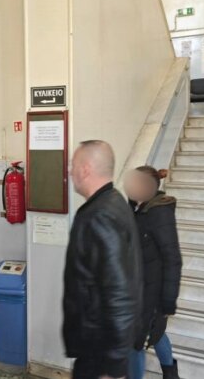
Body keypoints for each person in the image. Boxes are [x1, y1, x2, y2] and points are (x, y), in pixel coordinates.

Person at [63, 140, 143, 379]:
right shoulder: (113, 202)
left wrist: (114, 367)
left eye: (73, 165)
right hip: (98, 347)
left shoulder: (100, 215)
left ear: (85, 169)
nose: (70, 171)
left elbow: (119, 293)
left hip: (99, 353)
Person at [124, 166, 182, 379]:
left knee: (136, 342)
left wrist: (168, 301)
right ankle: (171, 374)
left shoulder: (159, 213)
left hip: (152, 292)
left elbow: (173, 259)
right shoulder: (136, 209)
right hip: (136, 288)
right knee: (155, 334)